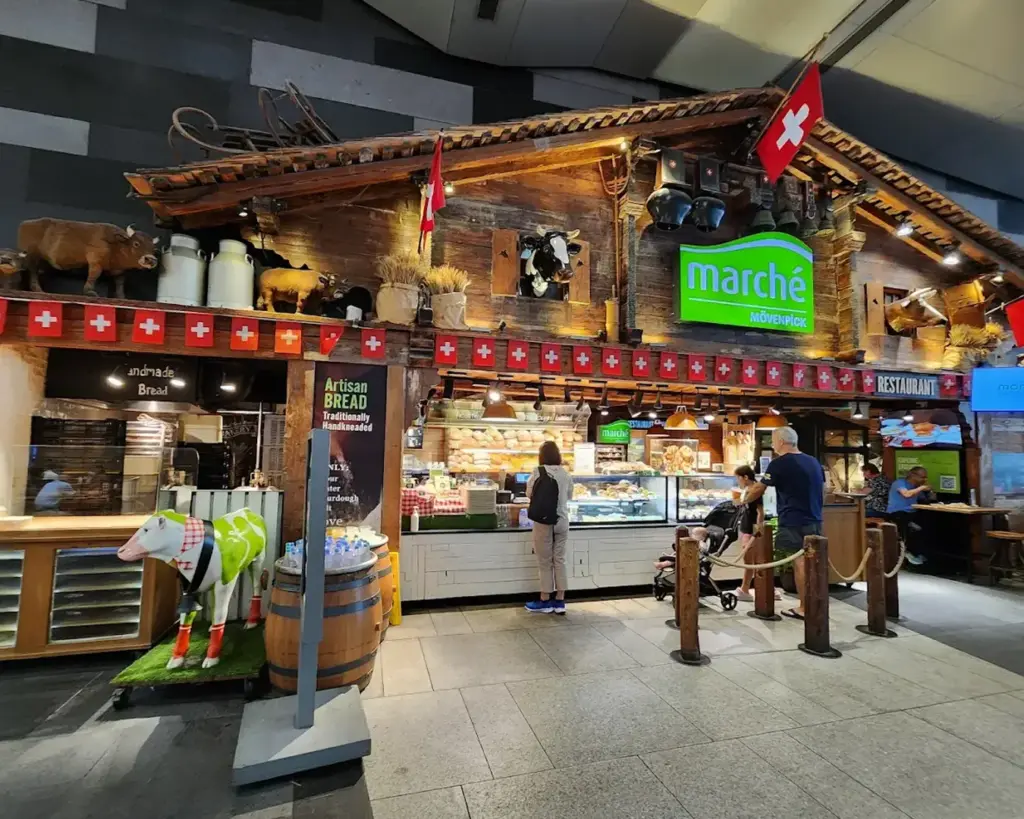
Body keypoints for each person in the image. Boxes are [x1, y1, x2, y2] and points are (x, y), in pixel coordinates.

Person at [743, 426, 825, 620]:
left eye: (773, 441)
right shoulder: (813, 461)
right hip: (815, 519)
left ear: (780, 441)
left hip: (793, 520)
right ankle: (814, 605)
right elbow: (824, 490)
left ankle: (805, 608)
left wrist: (742, 501)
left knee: (800, 563)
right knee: (813, 563)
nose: (772, 445)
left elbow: (759, 490)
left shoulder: (779, 463)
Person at [525, 441, 573, 614]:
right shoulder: (566, 474)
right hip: (562, 521)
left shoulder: (538, 471)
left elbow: (529, 494)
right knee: (559, 560)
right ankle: (560, 600)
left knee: (544, 562)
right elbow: (570, 496)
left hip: (544, 521)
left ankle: (545, 600)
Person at [733, 464, 779, 602]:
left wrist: (758, 530)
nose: (737, 481)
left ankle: (746, 589)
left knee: (750, 560)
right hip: (746, 527)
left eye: (738, 478)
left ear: (745, 477)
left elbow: (760, 512)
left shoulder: (756, 491)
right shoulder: (747, 490)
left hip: (751, 530)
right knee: (750, 560)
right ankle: (752, 589)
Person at [887, 466, 932, 565]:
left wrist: (930, 493)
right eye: (922, 477)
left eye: (925, 477)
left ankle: (920, 553)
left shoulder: (916, 487)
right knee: (910, 528)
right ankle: (906, 553)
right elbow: (906, 494)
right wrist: (922, 488)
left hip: (912, 512)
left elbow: (925, 500)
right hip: (897, 512)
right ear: (913, 475)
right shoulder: (899, 483)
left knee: (928, 525)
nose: (924, 480)